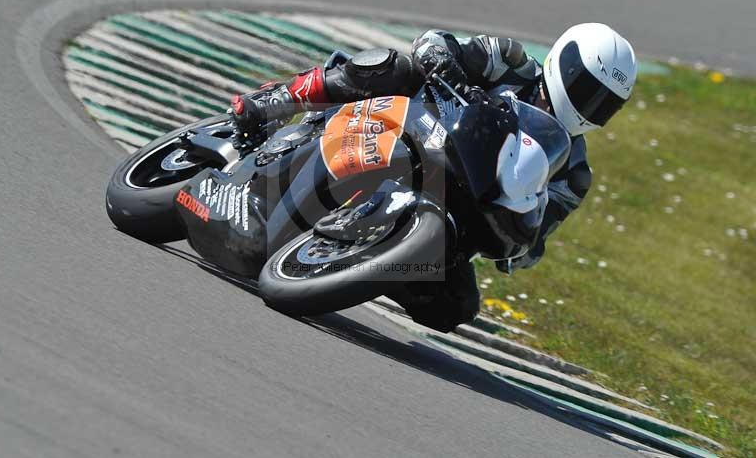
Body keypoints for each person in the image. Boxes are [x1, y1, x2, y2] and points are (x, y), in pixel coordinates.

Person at [231, 23, 637, 331]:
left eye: (604, 103)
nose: (590, 105)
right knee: (395, 67)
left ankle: (371, 263)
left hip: (454, 204)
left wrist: (522, 237)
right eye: (586, 87)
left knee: (456, 307)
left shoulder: (573, 172)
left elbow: (531, 244)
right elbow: (433, 41)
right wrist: (447, 67)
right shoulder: (510, 62)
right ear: (562, 62)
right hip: (408, 127)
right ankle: (280, 99)